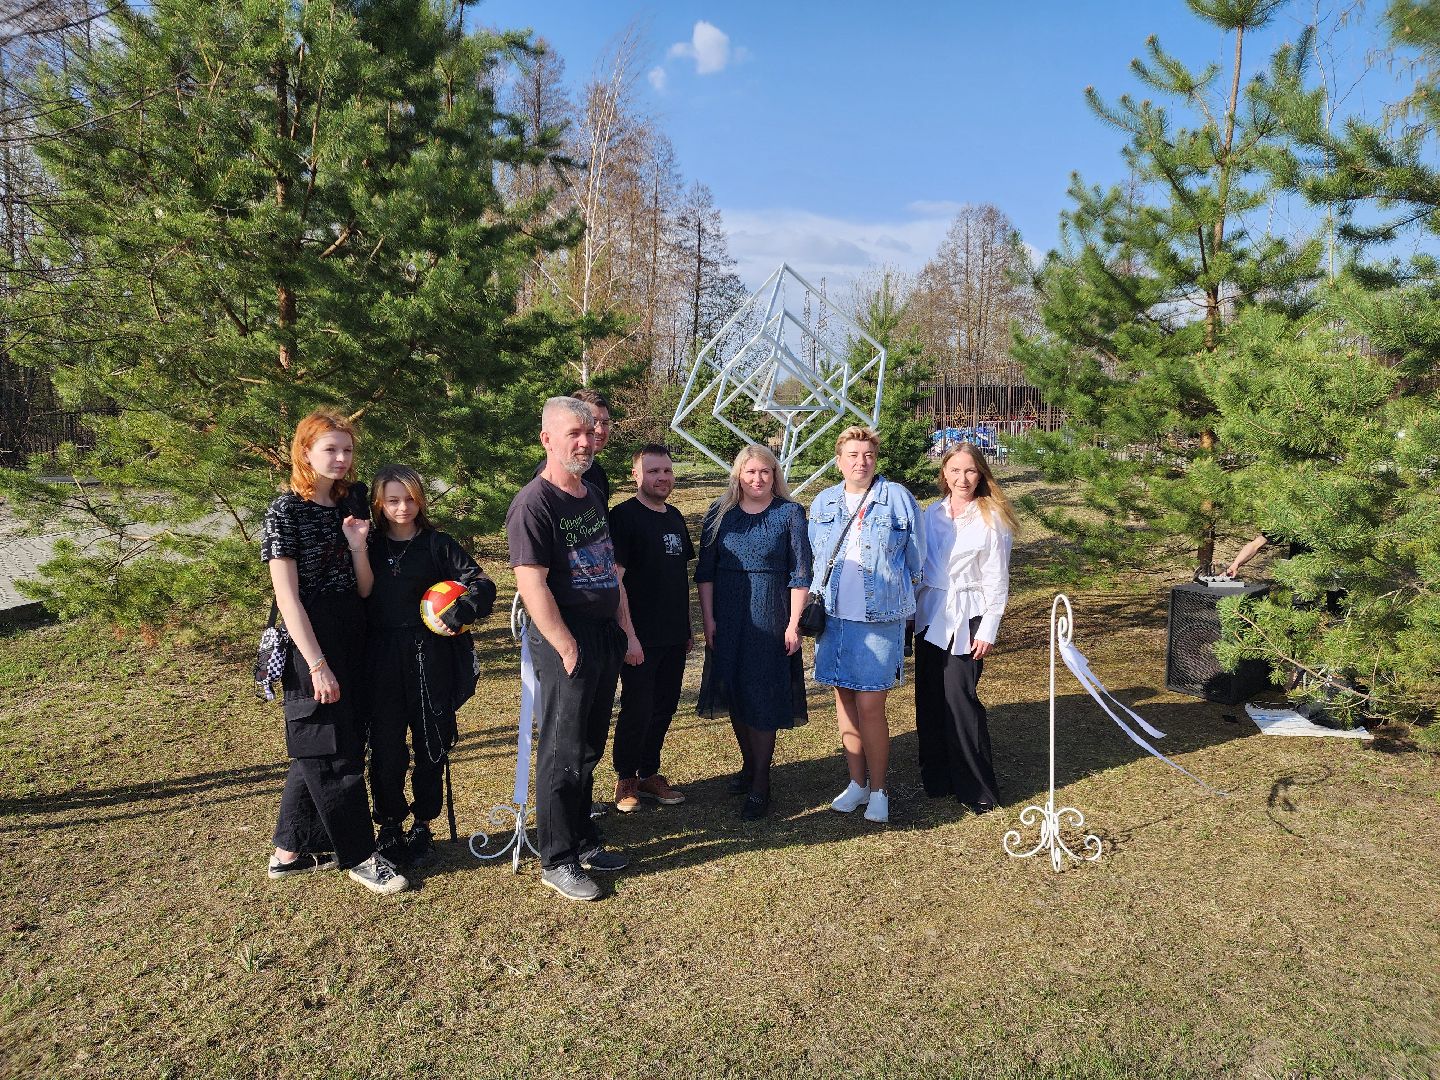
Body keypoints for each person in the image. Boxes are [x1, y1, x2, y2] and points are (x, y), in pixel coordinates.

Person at [260, 409, 407, 895]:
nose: (341, 458)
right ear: (305, 452)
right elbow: (288, 599)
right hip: (310, 635)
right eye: (330, 449)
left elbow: (364, 589)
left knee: (329, 741)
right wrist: (317, 664)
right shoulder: (285, 511)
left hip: (354, 628)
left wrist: (358, 544)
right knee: (330, 747)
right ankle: (360, 855)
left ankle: (289, 851)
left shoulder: (352, 502)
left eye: (347, 449)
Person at [507, 396, 643, 902]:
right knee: (561, 751)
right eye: (573, 434)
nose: (585, 442)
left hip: (603, 634)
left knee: (588, 747)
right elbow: (532, 585)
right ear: (547, 439)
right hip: (566, 639)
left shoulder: (590, 494)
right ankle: (557, 858)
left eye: (589, 433)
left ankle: (584, 840)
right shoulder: (533, 504)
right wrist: (566, 647)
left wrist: (625, 630)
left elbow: (608, 567)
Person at [363, 465, 497, 868]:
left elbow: (482, 584)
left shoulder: (439, 544)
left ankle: (423, 824)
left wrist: (463, 610)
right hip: (381, 659)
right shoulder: (367, 545)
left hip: (430, 657)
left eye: (410, 499)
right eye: (392, 500)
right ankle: (389, 825)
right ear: (378, 503)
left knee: (431, 743)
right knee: (386, 748)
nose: (402, 508)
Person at [807, 426, 924, 825]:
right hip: (834, 619)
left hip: (880, 620)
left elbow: (917, 558)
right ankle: (857, 783)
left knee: (871, 706)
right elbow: (816, 557)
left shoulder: (897, 498)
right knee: (844, 702)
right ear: (839, 461)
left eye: (868, 455)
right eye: (853, 455)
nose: (862, 462)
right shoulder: (823, 502)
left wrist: (900, 598)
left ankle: (879, 790)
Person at [695, 444, 812, 820]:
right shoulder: (719, 513)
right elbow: (705, 572)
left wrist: (793, 624)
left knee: (761, 694)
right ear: (738, 476)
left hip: (770, 613)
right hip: (727, 614)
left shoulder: (790, 513)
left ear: (775, 475)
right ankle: (749, 765)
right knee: (735, 689)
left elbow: (800, 573)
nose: (758, 479)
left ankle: (762, 782)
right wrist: (709, 619)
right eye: (750, 472)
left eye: (765, 471)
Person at [913, 443, 1017, 814]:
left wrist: (988, 628)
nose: (962, 479)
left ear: (981, 474)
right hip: (929, 615)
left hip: (967, 618)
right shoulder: (931, 513)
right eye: (955, 470)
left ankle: (976, 788)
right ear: (944, 473)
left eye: (970, 470)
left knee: (960, 700)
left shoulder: (992, 518)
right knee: (929, 698)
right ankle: (937, 778)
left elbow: (997, 579)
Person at [608, 444, 696, 812]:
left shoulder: (674, 516)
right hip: (639, 636)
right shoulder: (623, 517)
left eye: (666, 471)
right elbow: (615, 581)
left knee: (665, 705)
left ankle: (649, 773)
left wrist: (687, 627)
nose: (661, 477)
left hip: (673, 633)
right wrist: (628, 635)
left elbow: (678, 578)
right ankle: (626, 778)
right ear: (636, 475)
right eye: (653, 471)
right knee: (638, 706)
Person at [533, 387, 613, 504]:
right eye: (593, 421)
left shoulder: (598, 473)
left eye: (605, 423)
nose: (600, 430)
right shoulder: (550, 478)